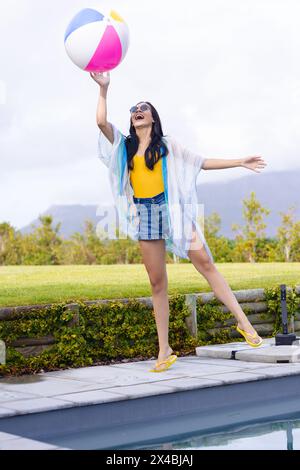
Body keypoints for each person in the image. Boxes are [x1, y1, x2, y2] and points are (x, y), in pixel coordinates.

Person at [90, 71, 267, 372]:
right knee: (157, 282)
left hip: (172, 210)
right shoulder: (125, 147)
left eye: (143, 108)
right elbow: (100, 122)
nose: (137, 111)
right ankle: (164, 350)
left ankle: (245, 324)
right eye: (134, 109)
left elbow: (201, 162)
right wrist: (104, 89)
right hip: (145, 214)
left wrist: (239, 161)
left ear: (153, 118)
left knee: (206, 264)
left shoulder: (168, 146)